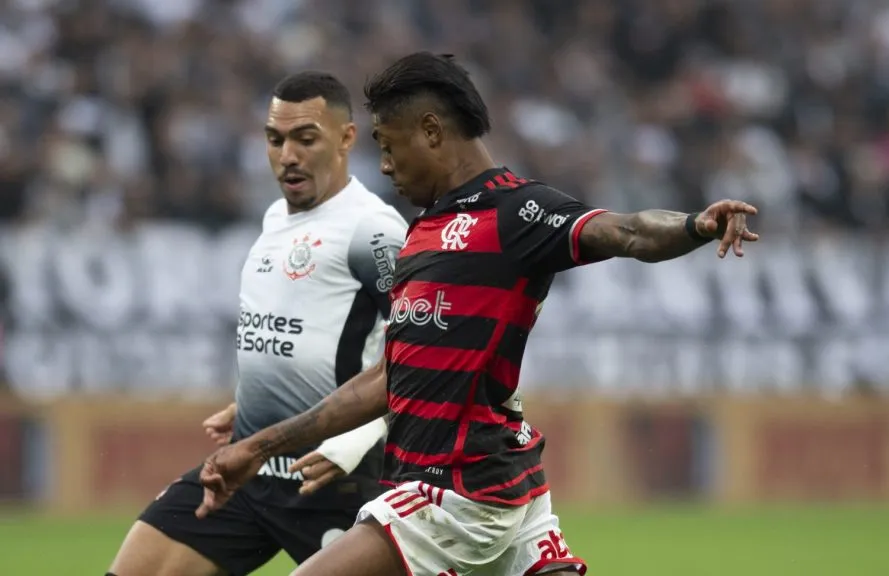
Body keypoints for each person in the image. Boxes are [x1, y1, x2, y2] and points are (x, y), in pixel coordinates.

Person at [192, 53, 759, 576]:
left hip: (452, 491)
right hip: (502, 484)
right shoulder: (421, 235)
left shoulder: (516, 212)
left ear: (431, 131)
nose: (384, 165)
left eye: (388, 145)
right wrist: (258, 447)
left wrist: (695, 225)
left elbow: (627, 231)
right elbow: (389, 377)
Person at [107, 71, 409, 576]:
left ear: (346, 139)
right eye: (275, 139)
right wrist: (257, 394)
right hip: (250, 469)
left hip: (333, 478)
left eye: (305, 139)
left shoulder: (373, 230)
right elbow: (303, 334)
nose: (287, 155)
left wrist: (353, 442)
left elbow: (423, 358)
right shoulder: (274, 219)